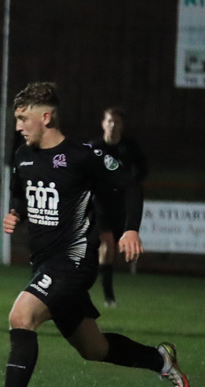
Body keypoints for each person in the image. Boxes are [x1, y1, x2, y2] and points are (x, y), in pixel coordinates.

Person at [0, 82, 189, 387]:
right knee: (93, 348)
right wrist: (16, 213)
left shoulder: (83, 155)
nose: (18, 126)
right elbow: (22, 192)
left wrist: (130, 230)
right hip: (44, 264)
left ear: (46, 116)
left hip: (73, 262)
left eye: (24, 118)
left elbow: (130, 185)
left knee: (21, 316)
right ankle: (158, 358)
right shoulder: (23, 156)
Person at [88, 107, 148, 308]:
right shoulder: (93, 148)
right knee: (106, 244)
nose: (112, 126)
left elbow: (141, 172)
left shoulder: (129, 148)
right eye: (109, 121)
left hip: (120, 205)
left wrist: (128, 184)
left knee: (109, 249)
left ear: (122, 126)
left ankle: (94, 290)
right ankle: (108, 296)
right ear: (103, 123)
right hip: (98, 203)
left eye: (117, 122)